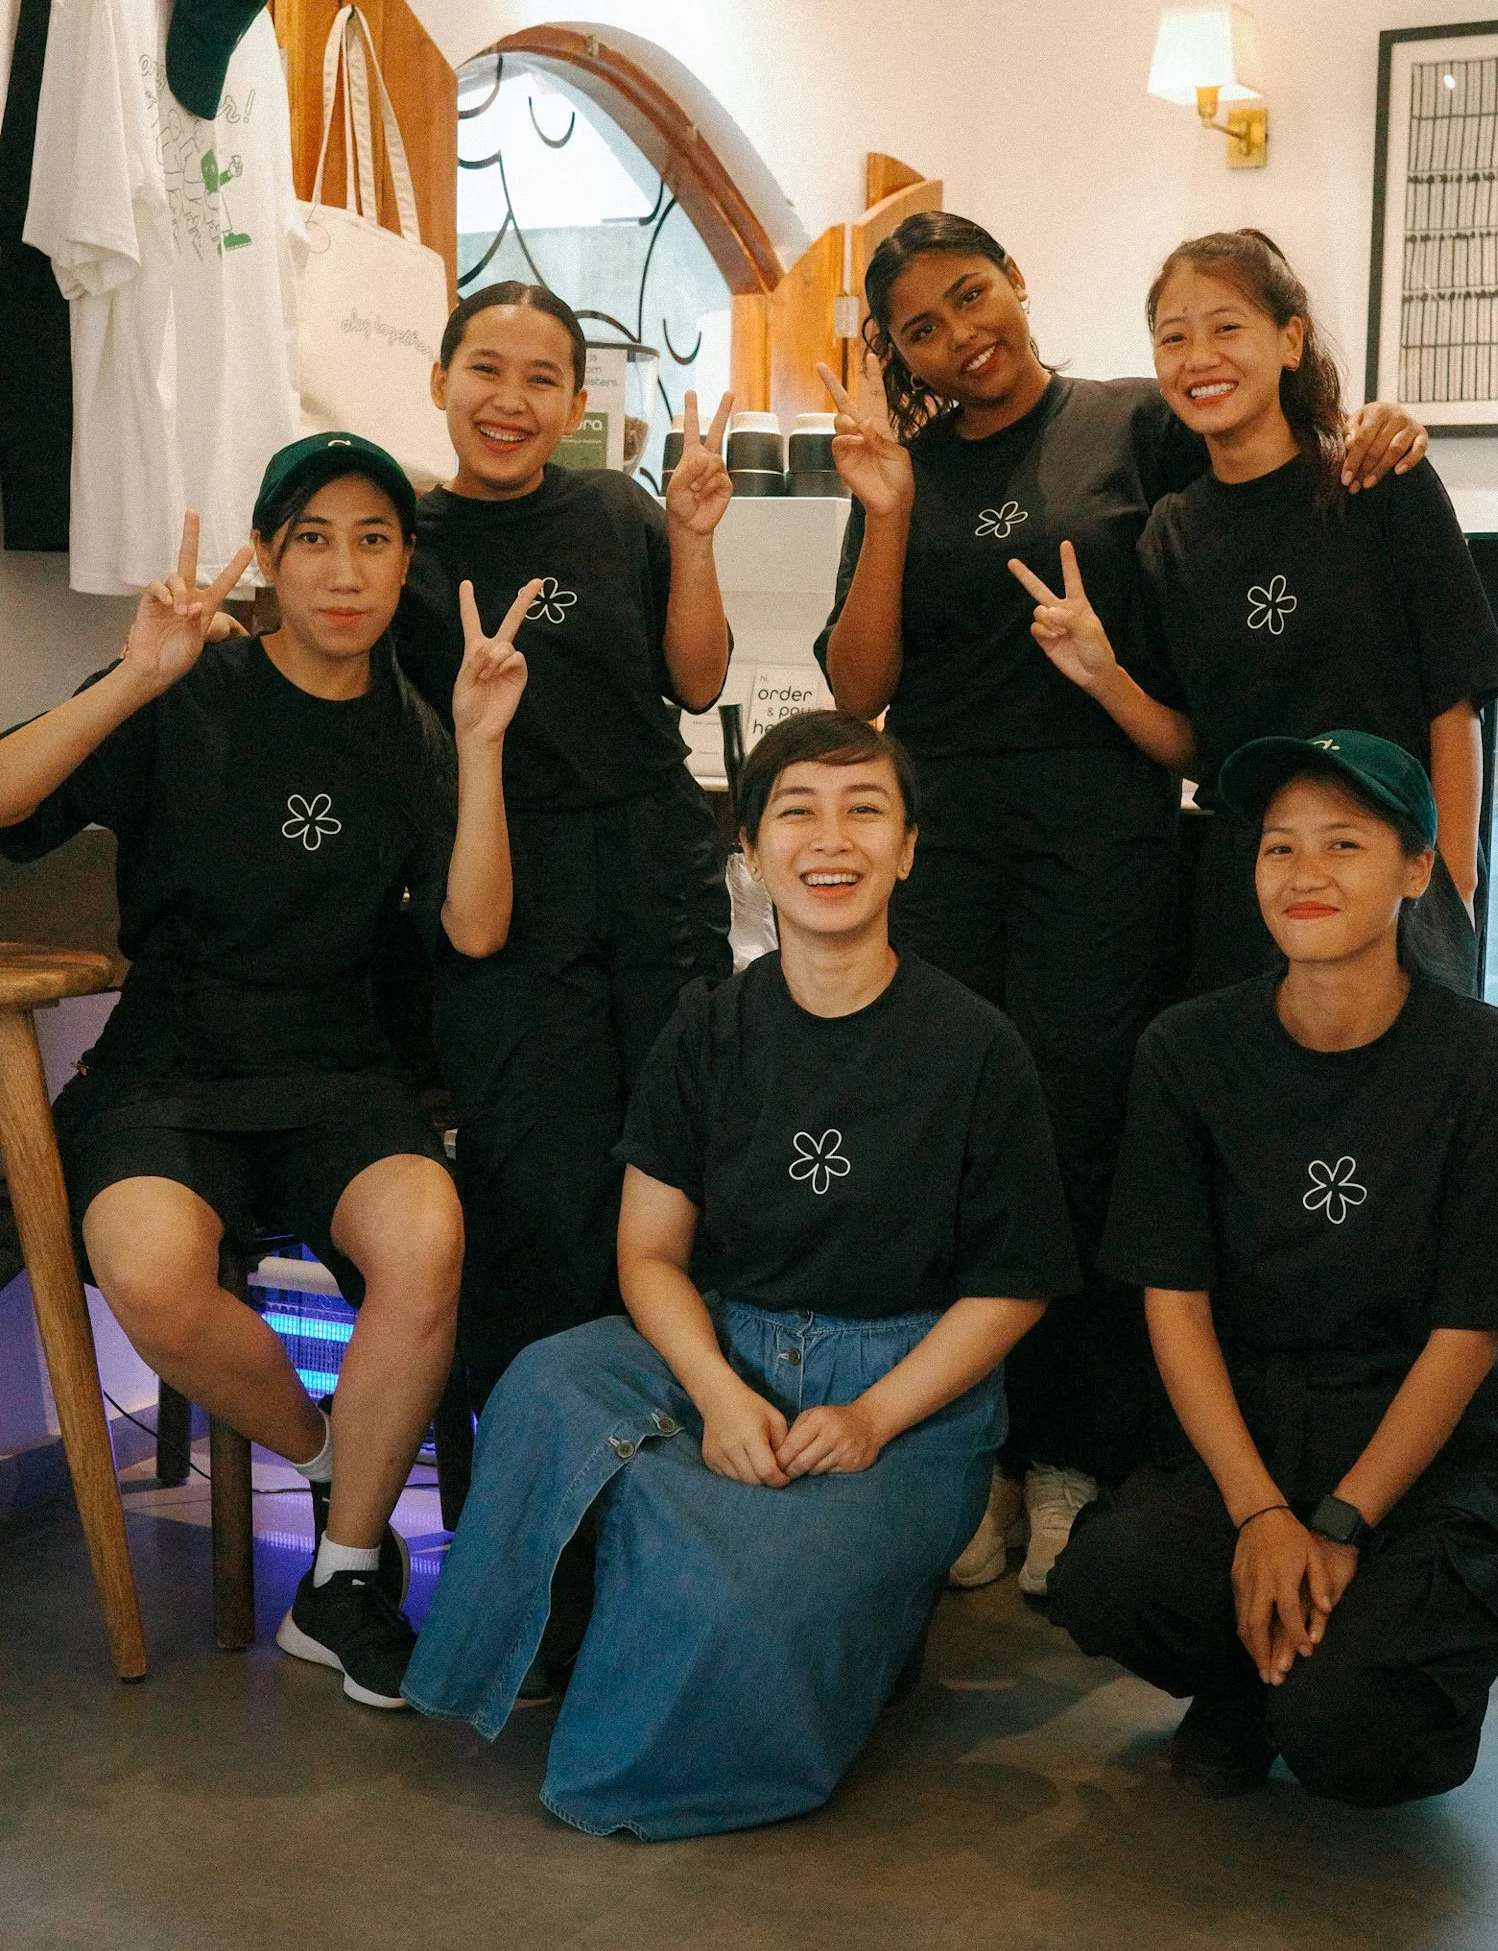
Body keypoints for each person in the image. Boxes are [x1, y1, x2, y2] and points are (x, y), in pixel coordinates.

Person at [813, 209, 1428, 1593]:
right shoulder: (894, 466)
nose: (960, 334)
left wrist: (1380, 428)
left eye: (972, 294)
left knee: (1085, 1129)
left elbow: (1264, 475)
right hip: (950, 828)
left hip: (1106, 818)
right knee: (955, 1132)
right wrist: (886, 514)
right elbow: (858, 688)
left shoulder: (1133, 418)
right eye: (921, 325)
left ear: (1018, 280)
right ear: (897, 352)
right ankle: (969, 1447)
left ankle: (1079, 1454)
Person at [402, 710, 1081, 1839]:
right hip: (731, 1343)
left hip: (906, 1390)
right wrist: (717, 1389)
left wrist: (869, 1415)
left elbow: (1013, 1284)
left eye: (865, 810)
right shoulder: (709, 1030)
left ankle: (788, 1629)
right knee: (543, 1383)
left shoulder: (976, 1047)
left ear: (909, 848)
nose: (832, 838)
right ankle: (655, 1616)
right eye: (796, 812)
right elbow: (648, 1254)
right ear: (752, 852)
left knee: (748, 1564)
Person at [0, 434, 531, 1709]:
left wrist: (482, 744)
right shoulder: (193, 687)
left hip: (339, 1065)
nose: (343, 571)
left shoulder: (417, 727)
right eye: (311, 539)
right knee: (145, 1269)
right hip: (170, 1064)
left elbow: (473, 929)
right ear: (270, 558)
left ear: (406, 563)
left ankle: (343, 1576)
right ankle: (330, 1451)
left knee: (427, 1230)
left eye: (374, 539)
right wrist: (133, 677)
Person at [1048, 731, 1498, 1806]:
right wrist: (1260, 1514)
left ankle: (1350, 1663)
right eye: (1279, 847)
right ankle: (1255, 1672)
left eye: (1345, 842)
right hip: (1257, 1437)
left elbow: (1471, 1329)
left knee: (1356, 1739)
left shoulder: (1490, 1063)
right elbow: (1175, 1297)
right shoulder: (1188, 1051)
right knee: (1106, 1580)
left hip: (1429, 1455)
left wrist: (1338, 1521)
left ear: (1417, 867)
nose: (1305, 873)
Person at [392, 279, 735, 1415]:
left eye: (543, 377)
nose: (511, 398)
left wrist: (690, 538)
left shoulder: (614, 510)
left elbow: (696, 680)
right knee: (536, 1184)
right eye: (486, 368)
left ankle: (678, 1442)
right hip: (504, 883)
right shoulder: (405, 547)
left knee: (682, 1160)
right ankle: (537, 1469)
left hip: (655, 868)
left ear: (577, 400)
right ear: (440, 379)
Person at [1017, 227, 1498, 995]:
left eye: (1226, 328)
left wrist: (1452, 882)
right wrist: (1105, 676)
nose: (1199, 359)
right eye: (1173, 338)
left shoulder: (1376, 482)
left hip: (1393, 880)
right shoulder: (1170, 532)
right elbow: (1201, 750)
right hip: (1247, 888)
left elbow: (1456, 700)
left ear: (1289, 340)